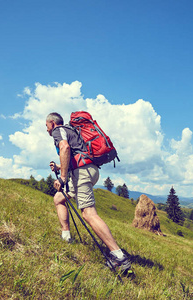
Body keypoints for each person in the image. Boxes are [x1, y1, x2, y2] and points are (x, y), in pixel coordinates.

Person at [46, 112, 131, 271]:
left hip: (82, 173)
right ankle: (66, 237)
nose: (47, 130)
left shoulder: (58, 131)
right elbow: (75, 153)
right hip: (88, 170)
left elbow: (64, 147)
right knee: (59, 198)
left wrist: (62, 177)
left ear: (51, 123)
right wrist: (59, 167)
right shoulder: (72, 131)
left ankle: (118, 256)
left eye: (46, 126)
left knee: (88, 214)